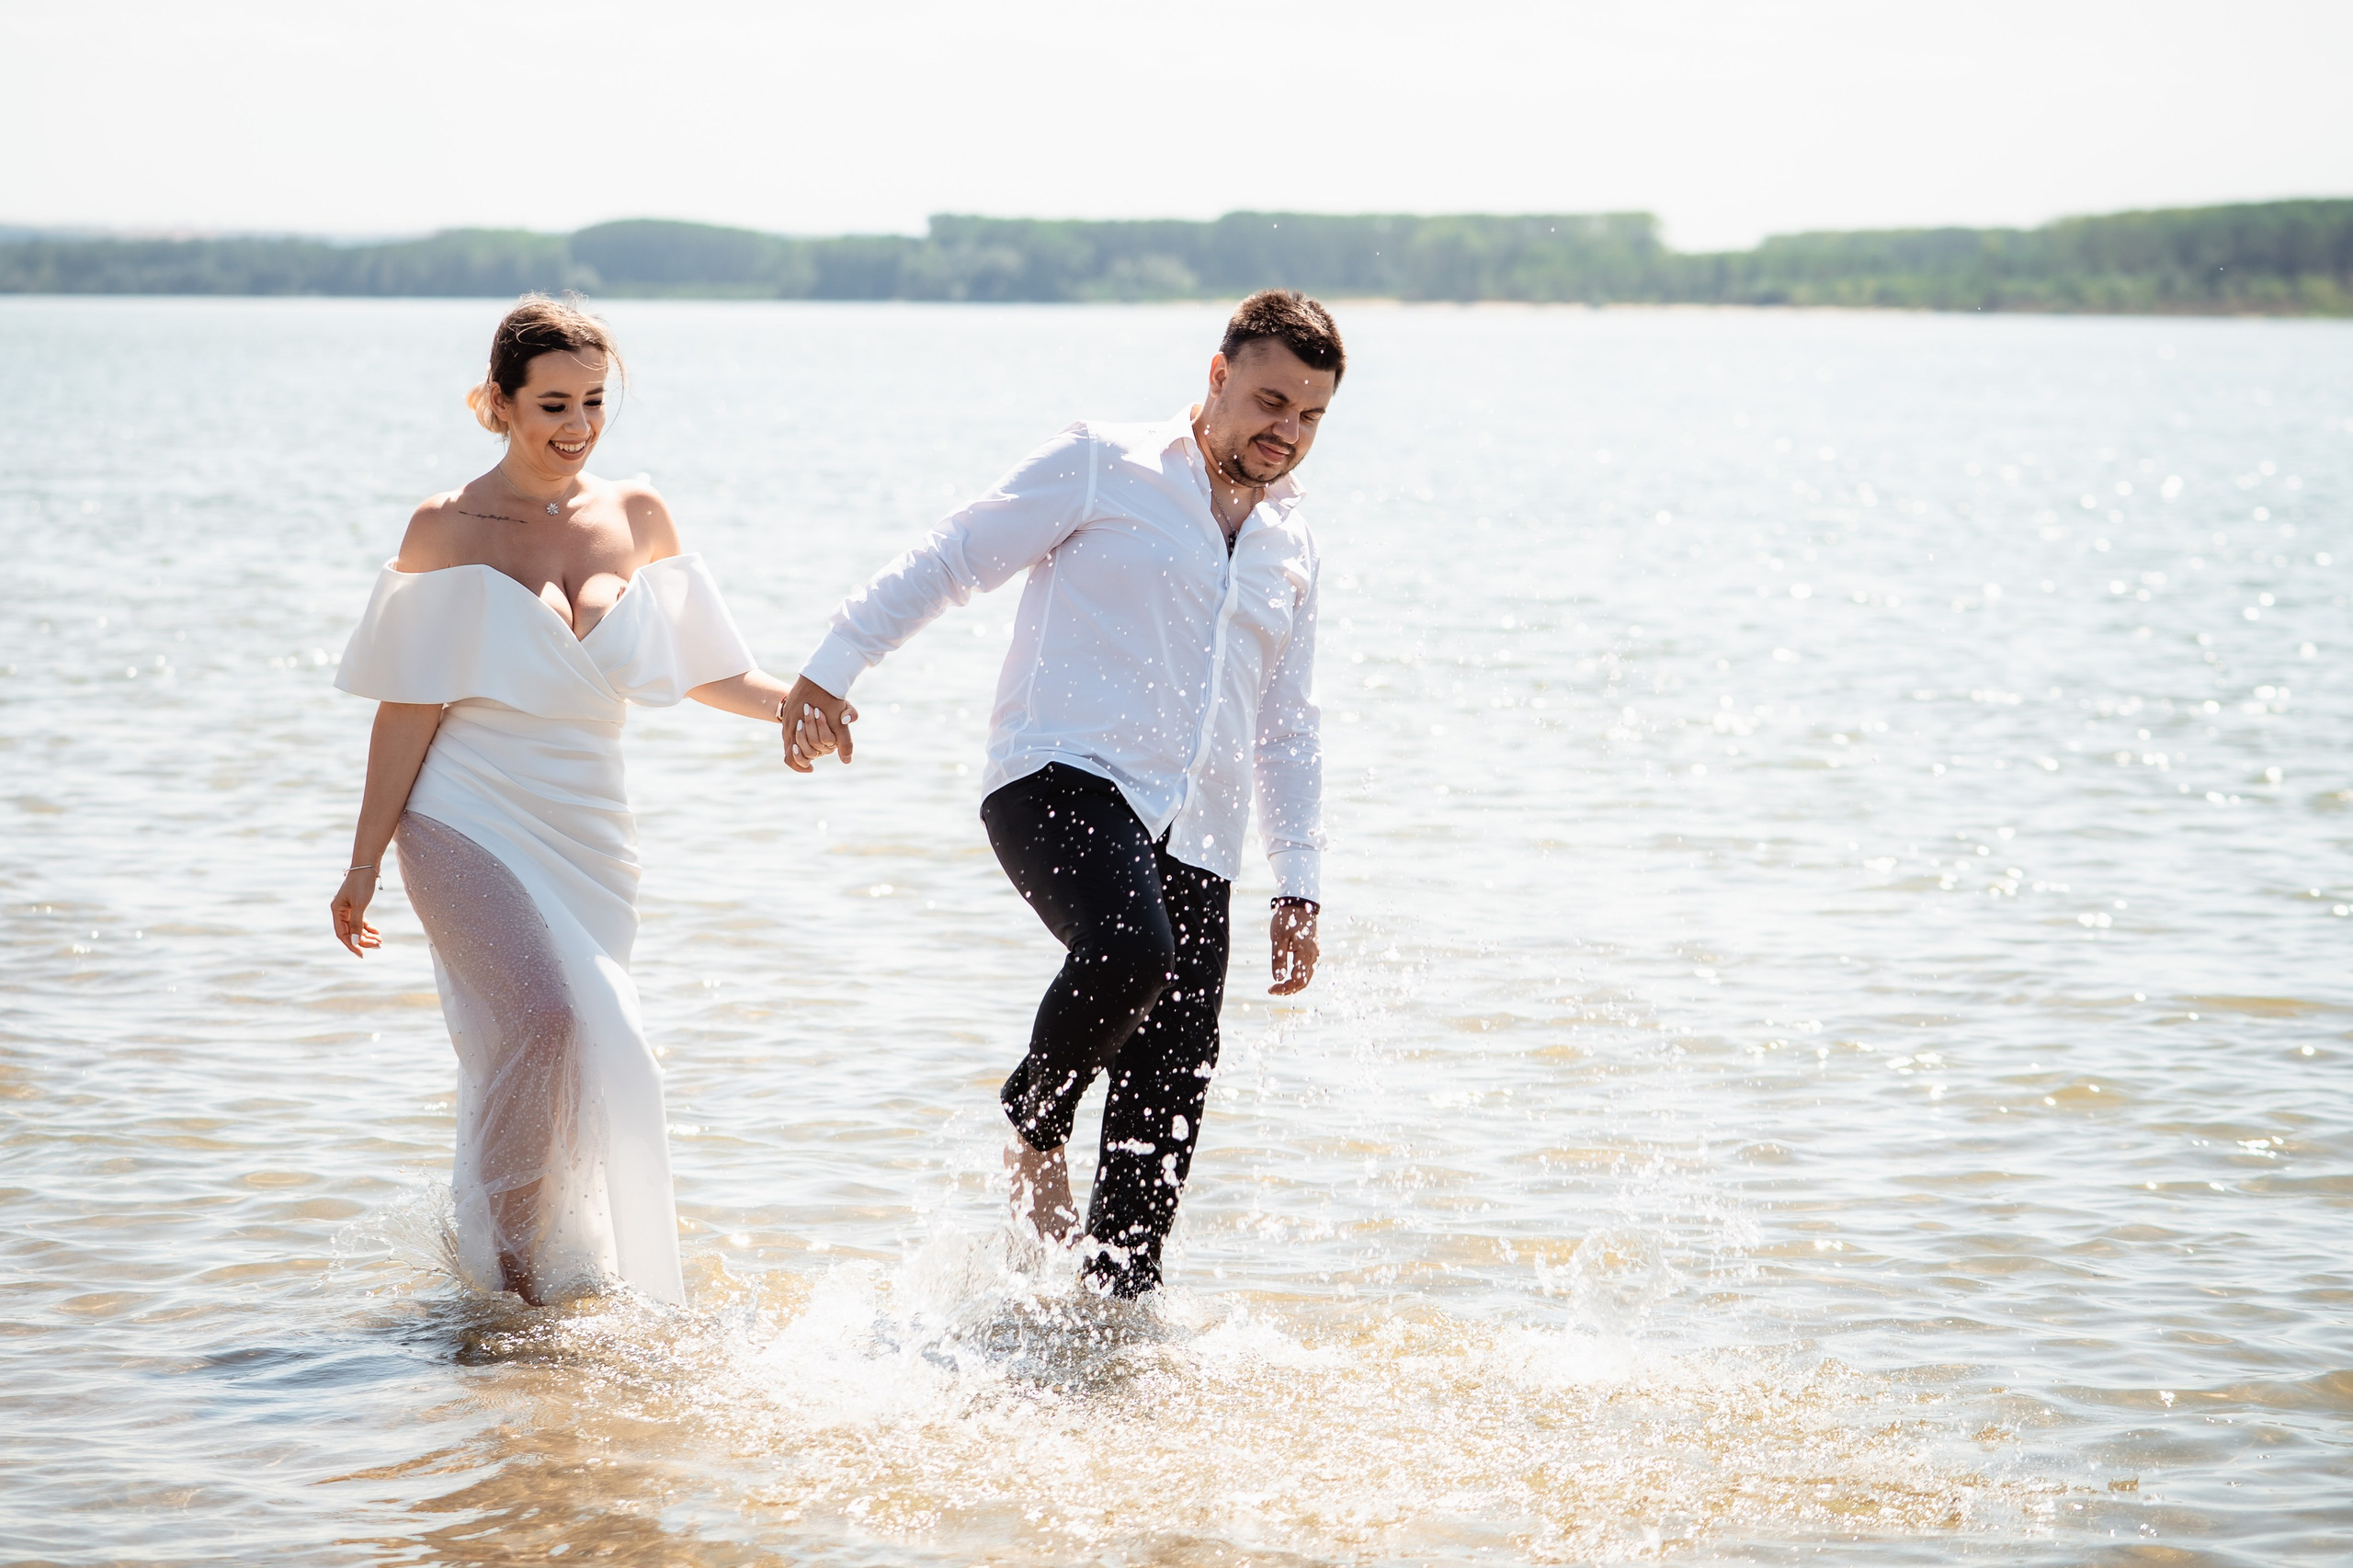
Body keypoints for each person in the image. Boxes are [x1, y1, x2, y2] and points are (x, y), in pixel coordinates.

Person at [779, 290, 1343, 1297]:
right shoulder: (1103, 461)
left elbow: (1286, 726)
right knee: (1132, 947)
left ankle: (1107, 1339)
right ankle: (1034, 1126)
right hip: (1056, 777)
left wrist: (1298, 881)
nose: (1284, 432)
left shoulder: (1292, 544)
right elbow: (954, 556)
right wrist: (834, 664)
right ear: (1216, 377)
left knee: (1165, 1108)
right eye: (1267, 402)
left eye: (1308, 416)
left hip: (1202, 835)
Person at [328, 296, 843, 1307]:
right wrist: (363, 862)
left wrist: (796, 706)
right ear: (499, 402)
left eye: (595, 402)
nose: (577, 425)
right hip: (462, 812)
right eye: (553, 402)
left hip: (588, 832)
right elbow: (406, 707)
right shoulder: (444, 525)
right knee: (548, 1019)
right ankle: (512, 1282)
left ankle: (528, 1253)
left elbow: (702, 668)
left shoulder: (637, 513)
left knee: (604, 1050)